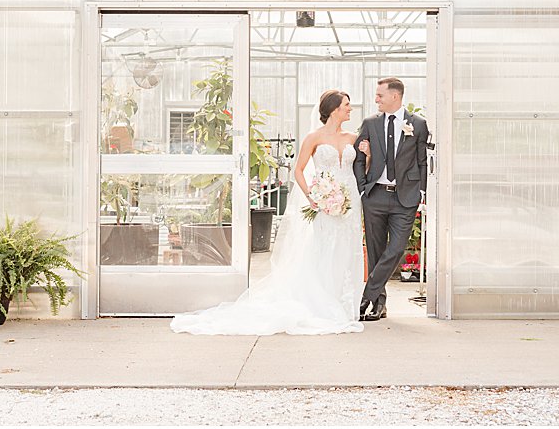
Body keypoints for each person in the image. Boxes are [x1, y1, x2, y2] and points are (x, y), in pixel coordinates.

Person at [169, 90, 364, 336]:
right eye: (347, 105)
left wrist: (365, 155)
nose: (350, 108)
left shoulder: (353, 138)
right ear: (334, 108)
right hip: (324, 201)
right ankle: (324, 302)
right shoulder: (313, 137)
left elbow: (361, 169)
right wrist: (313, 197)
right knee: (324, 248)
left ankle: (345, 303)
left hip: (349, 201)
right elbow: (299, 171)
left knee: (348, 249)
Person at [352, 77, 428, 321]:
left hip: (405, 198)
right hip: (374, 195)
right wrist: (363, 188)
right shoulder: (370, 123)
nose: (376, 99)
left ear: (395, 96)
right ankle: (378, 305)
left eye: (380, 95)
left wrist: (422, 192)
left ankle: (367, 295)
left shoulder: (418, 124)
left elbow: (423, 160)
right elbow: (358, 158)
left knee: (395, 249)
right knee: (375, 252)